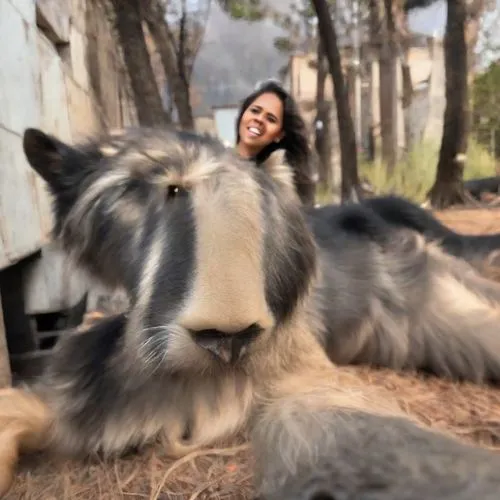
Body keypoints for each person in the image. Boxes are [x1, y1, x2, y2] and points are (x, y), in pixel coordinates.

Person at [234, 80, 317, 206]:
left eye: (270, 119)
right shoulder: (208, 167)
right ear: (243, 114)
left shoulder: (278, 191)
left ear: (279, 135)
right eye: (255, 111)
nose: (259, 119)